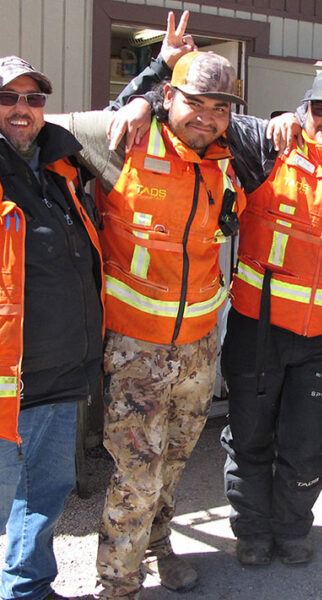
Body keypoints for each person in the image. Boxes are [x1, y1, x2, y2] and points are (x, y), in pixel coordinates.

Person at [109, 57, 322, 565]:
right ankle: (251, 532)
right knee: (250, 437)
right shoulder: (264, 148)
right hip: (257, 329)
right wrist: (144, 94)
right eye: (320, 110)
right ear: (304, 110)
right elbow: (195, 121)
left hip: (319, 339)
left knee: (303, 445)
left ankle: (293, 530)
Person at [52, 38, 247, 597]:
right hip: (137, 349)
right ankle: (119, 585)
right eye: (195, 104)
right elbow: (39, 124)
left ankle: (158, 544)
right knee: (136, 474)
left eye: (220, 107)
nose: (207, 118)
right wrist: (132, 99)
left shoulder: (229, 153)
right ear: (168, 97)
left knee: (175, 463)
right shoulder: (121, 140)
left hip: (197, 347)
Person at [0, 56, 104, 600]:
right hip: (5, 378)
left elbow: (117, 114)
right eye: (9, 97)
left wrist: (159, 69)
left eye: (33, 99)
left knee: (45, 492)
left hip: (61, 370)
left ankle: (28, 589)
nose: (22, 108)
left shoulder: (61, 169)